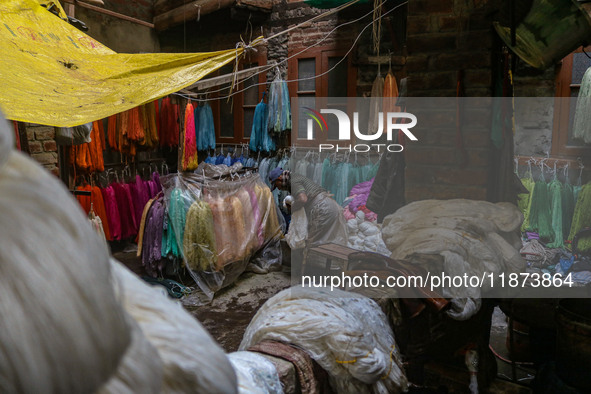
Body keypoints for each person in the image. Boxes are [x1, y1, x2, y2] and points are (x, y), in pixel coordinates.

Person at [269, 168, 347, 247]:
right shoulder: (295, 177)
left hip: (323, 209)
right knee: (326, 242)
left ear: (279, 179)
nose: (278, 188)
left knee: (310, 243)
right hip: (330, 205)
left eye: (276, 185)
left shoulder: (292, 181)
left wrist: (293, 207)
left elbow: (303, 199)